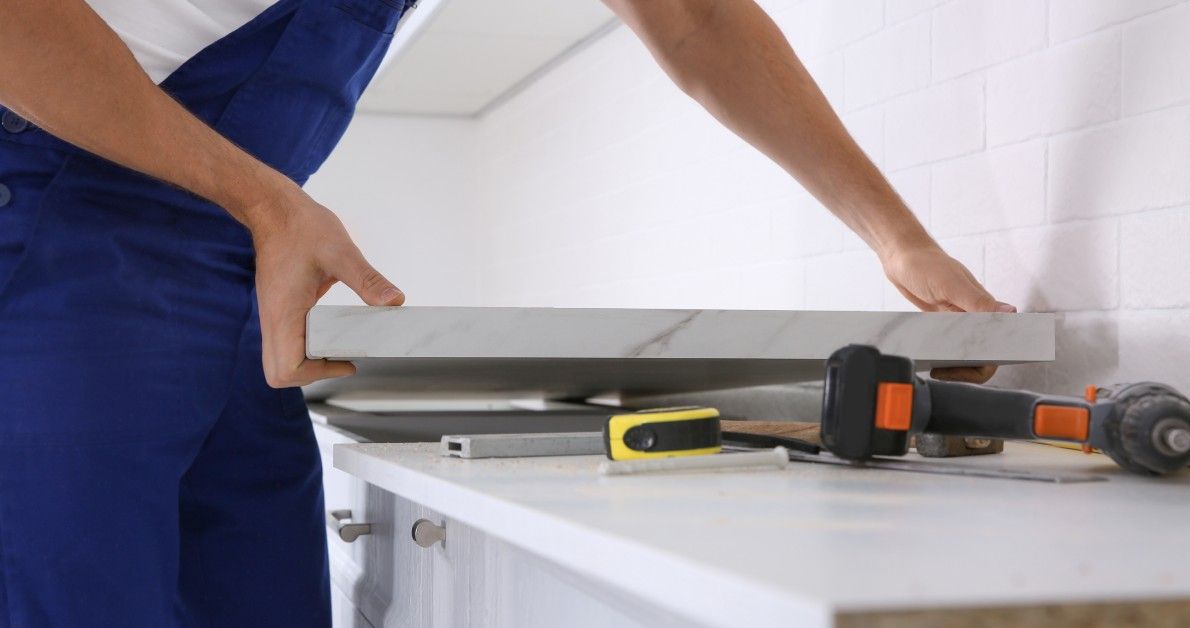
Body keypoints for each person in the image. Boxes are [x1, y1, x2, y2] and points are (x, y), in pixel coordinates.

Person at [0, 0, 1013, 625]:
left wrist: (896, 235)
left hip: (240, 278)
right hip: (49, 245)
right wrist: (269, 199)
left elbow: (696, 18)